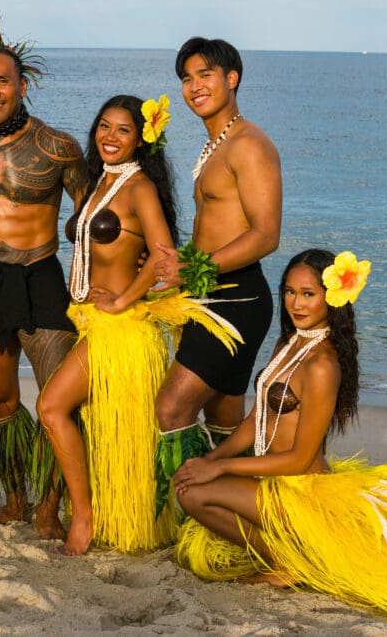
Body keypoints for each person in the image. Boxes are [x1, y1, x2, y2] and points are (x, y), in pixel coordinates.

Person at [172, 249, 387, 620]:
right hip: (272, 481)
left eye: (308, 294)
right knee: (191, 485)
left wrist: (221, 470)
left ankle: (290, 562)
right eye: (289, 292)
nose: (295, 303)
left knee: (195, 495)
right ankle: (294, 557)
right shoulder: (292, 342)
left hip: (301, 487)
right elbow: (256, 420)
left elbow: (301, 459)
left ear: (331, 297)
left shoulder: (322, 364)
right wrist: (210, 459)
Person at [38, 95, 242, 556]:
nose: (110, 136)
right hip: (92, 324)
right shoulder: (100, 184)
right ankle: (103, 512)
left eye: (123, 130)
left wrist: (124, 299)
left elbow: (164, 255)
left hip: (122, 329)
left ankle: (83, 519)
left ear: (142, 139)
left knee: (52, 408)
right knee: (98, 424)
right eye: (104, 126)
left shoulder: (139, 188)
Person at [0, 24, 88, 539]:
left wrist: (105, 276)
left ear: (22, 85)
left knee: (56, 401)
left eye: (2, 81)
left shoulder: (58, 146)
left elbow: (93, 215)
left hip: (40, 277)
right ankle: (15, 499)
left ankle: (51, 507)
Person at [150, 37, 283, 516]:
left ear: (232, 78)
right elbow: (219, 228)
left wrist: (194, 268)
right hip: (210, 294)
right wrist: (180, 266)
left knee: (171, 410)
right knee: (223, 414)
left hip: (236, 301)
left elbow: (267, 235)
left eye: (205, 74)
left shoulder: (249, 144)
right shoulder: (216, 144)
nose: (193, 86)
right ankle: (248, 514)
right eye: (186, 78)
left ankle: (188, 514)